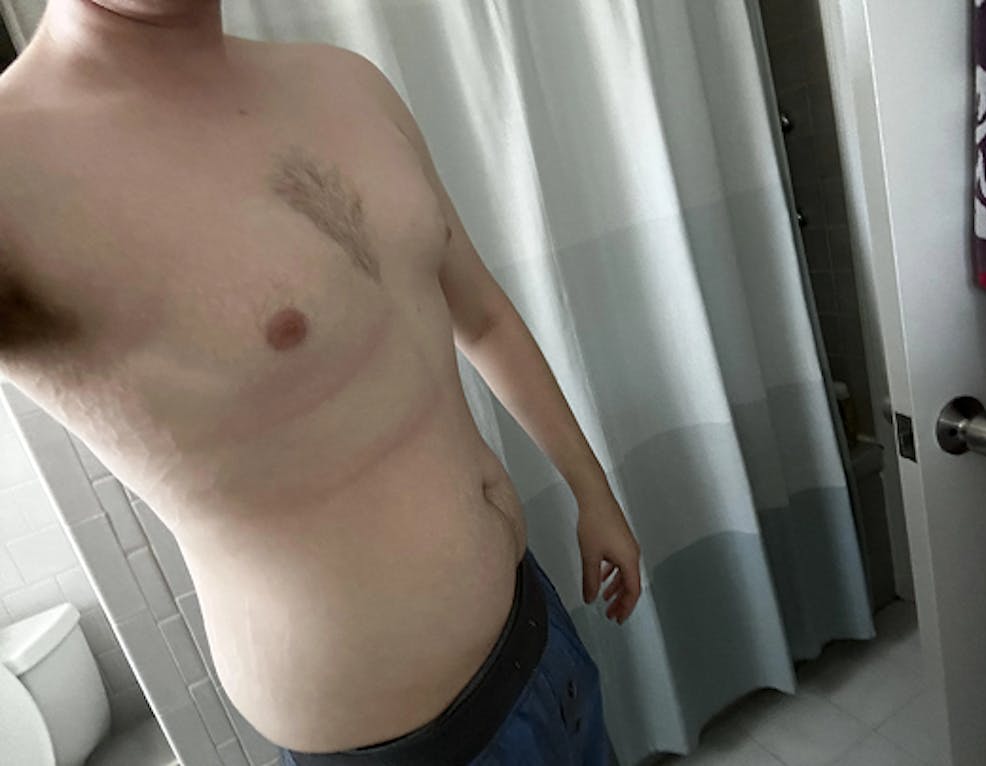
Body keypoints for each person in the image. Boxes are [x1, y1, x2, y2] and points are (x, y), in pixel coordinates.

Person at [0, 1, 643, 763]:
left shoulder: (345, 82)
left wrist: (592, 487)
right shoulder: (15, 167)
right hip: (406, 744)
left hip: (536, 631)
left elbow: (483, 316)